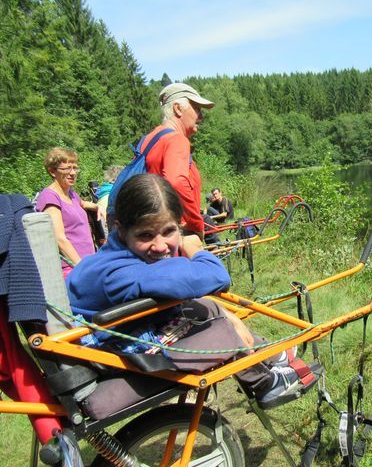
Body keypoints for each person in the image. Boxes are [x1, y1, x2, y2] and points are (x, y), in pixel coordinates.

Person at [66, 174, 318, 409]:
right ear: (120, 229)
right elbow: (218, 276)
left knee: (207, 307)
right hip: (108, 356)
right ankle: (265, 382)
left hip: (110, 335)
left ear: (179, 224)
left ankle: (271, 355)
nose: (160, 245)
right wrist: (194, 248)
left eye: (168, 231)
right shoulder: (122, 273)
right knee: (220, 325)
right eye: (145, 235)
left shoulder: (110, 256)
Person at [138, 82, 214, 239]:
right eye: (197, 109)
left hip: (151, 231)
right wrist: (196, 224)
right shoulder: (176, 139)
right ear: (178, 108)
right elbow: (177, 182)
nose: (201, 116)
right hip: (174, 233)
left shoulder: (149, 139)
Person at [36, 148, 102, 278]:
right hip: (71, 268)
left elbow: (82, 204)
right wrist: (82, 269)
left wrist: (99, 207)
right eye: (67, 169)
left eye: (75, 168)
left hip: (87, 262)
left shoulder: (71, 193)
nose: (72, 173)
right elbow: (59, 238)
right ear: (52, 171)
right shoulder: (50, 197)